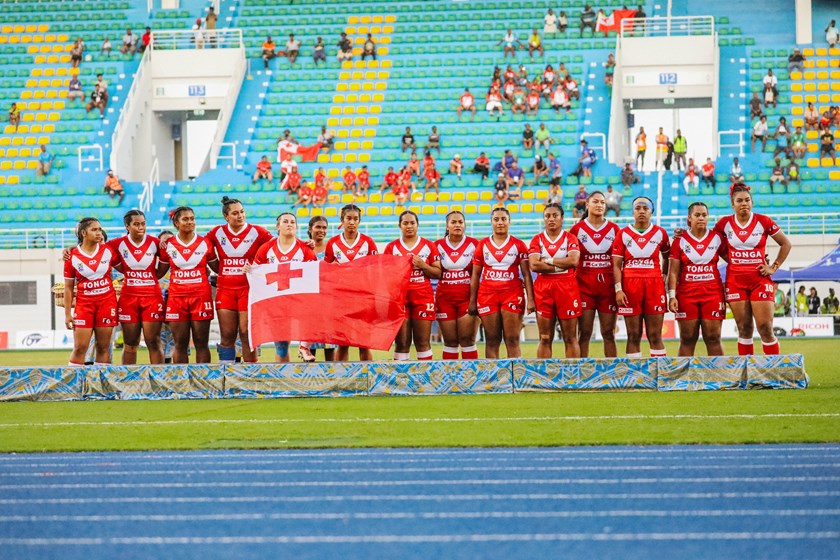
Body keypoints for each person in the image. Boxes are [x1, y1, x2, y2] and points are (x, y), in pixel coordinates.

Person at [713, 183, 791, 355]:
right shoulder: (724, 223)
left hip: (759, 280)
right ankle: (747, 369)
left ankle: (772, 368)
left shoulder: (763, 221)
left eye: (747, 200)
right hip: (735, 282)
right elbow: (711, 243)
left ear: (752, 202)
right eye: (739, 200)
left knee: (765, 327)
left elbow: (786, 243)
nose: (744, 203)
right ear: (732, 204)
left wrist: (773, 267)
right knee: (744, 328)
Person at [206, 197, 273, 365]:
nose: (240, 216)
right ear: (226, 216)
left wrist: (305, 244)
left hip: (248, 290)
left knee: (246, 333)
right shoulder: (217, 232)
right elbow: (198, 245)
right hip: (225, 290)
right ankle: (226, 374)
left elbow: (279, 246)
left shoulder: (258, 232)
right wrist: (166, 240)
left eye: (242, 212)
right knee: (227, 335)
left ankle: (250, 374)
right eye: (235, 213)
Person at [250, 212, 318, 362]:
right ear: (278, 226)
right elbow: (256, 273)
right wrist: (248, 270)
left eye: (292, 222)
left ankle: (304, 347)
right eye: (285, 221)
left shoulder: (305, 249)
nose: (289, 224)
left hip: (299, 302)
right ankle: (283, 375)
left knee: (314, 317)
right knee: (281, 347)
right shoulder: (266, 248)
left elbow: (314, 276)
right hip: (276, 303)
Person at [469, 207, 535, 359]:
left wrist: (531, 299)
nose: (500, 222)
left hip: (512, 294)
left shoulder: (518, 245)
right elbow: (475, 275)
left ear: (509, 222)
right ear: (491, 222)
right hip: (487, 296)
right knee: (492, 340)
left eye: (503, 219)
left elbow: (526, 274)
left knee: (512, 339)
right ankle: (494, 375)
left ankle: (516, 373)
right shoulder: (482, 245)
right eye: (496, 219)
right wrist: (472, 301)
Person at [157, 206, 218, 364]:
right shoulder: (167, 245)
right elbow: (159, 273)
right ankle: (181, 378)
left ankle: (203, 378)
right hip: (177, 298)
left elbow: (219, 268)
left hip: (201, 298)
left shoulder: (205, 243)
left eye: (192, 218)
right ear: (176, 223)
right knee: (180, 344)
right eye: (185, 219)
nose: (190, 222)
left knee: (201, 343)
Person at [612, 197, 670, 358]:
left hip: (654, 286)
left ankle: (659, 371)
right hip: (630, 287)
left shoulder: (660, 233)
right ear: (633, 212)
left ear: (651, 212)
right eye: (638, 208)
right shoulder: (623, 234)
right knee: (633, 335)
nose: (642, 211)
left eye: (646, 208)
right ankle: (635, 372)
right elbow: (616, 265)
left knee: (655, 335)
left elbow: (667, 257)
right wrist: (618, 289)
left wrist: (663, 275)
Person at [105, 210, 166, 364]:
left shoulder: (155, 243)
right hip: (129, 298)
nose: (141, 227)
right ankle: (129, 377)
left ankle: (158, 378)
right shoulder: (117, 244)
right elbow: (92, 248)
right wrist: (71, 249)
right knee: (130, 343)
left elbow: (169, 255)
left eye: (143, 224)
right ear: (127, 226)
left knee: (153, 342)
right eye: (136, 224)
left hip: (152, 297)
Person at [667, 203, 726, 356]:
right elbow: (673, 272)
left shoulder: (717, 238)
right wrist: (672, 296)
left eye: (704, 215)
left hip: (712, 293)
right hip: (686, 294)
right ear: (689, 218)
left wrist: (760, 260)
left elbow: (733, 260)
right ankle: (684, 372)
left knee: (713, 337)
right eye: (697, 215)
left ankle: (719, 371)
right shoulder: (679, 240)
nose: (701, 218)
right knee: (687, 338)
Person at [323, 205, 379, 360]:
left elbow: (376, 269)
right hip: (341, 299)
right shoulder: (333, 243)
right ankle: (341, 374)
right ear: (342, 220)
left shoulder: (368, 242)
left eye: (355, 219)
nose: (352, 222)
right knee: (342, 343)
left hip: (364, 297)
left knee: (364, 343)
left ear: (359, 221)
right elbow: (325, 271)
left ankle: (366, 374)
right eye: (348, 218)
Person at [384, 211, 442, 360]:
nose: (409, 226)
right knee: (402, 343)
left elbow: (438, 273)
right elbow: (385, 275)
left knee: (422, 342)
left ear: (417, 225)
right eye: (405, 223)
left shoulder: (428, 245)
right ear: (400, 225)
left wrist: (423, 265)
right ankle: (401, 375)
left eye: (412, 223)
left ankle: (425, 374)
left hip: (423, 297)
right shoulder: (392, 247)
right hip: (400, 298)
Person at [570, 192, 620, 358]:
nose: (599, 205)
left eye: (602, 202)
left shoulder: (614, 229)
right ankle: (581, 371)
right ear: (587, 204)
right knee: (584, 333)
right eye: (596, 202)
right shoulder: (576, 230)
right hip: (584, 286)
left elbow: (619, 261)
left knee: (608, 333)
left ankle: (613, 371)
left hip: (608, 287)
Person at [63, 218, 118, 366]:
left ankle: (99, 380)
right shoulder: (71, 255)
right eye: (94, 230)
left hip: (106, 303)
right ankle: (75, 380)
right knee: (80, 348)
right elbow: (68, 287)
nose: (98, 233)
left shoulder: (108, 250)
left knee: (103, 348)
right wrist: (67, 314)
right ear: (83, 233)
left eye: (100, 229)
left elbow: (126, 267)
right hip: (84, 305)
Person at [528, 204, 581, 358]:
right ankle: (544, 372)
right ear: (544, 219)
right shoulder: (537, 239)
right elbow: (534, 265)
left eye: (555, 215)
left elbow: (573, 261)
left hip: (567, 286)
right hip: (543, 287)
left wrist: (548, 260)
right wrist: (561, 265)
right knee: (544, 338)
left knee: (570, 337)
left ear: (562, 218)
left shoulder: (570, 238)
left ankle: (573, 373)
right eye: (547, 216)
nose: (551, 219)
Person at [433, 211, 480, 360]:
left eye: (460, 222)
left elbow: (480, 273)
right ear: (447, 226)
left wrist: (474, 301)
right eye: (453, 222)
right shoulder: (436, 245)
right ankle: (450, 374)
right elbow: (432, 271)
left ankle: (470, 374)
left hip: (467, 299)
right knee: (450, 342)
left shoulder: (475, 244)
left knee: (468, 341)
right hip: (444, 300)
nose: (457, 225)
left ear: (465, 225)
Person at [302, 216, 335, 362]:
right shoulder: (303, 248)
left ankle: (332, 373)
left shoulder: (332, 248)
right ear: (310, 229)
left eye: (324, 227)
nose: (321, 230)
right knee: (309, 343)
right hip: (309, 301)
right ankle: (308, 374)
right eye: (318, 227)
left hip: (328, 300)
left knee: (330, 345)